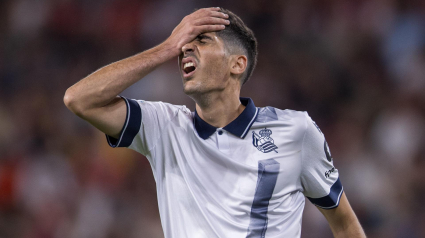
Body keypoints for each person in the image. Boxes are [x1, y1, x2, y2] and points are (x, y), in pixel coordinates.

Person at [64, 7, 366, 238]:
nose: (185, 48)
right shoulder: (164, 127)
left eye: (202, 40)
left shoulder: (296, 131)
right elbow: (79, 99)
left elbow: (345, 224)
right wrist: (165, 48)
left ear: (237, 64)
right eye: (183, 44)